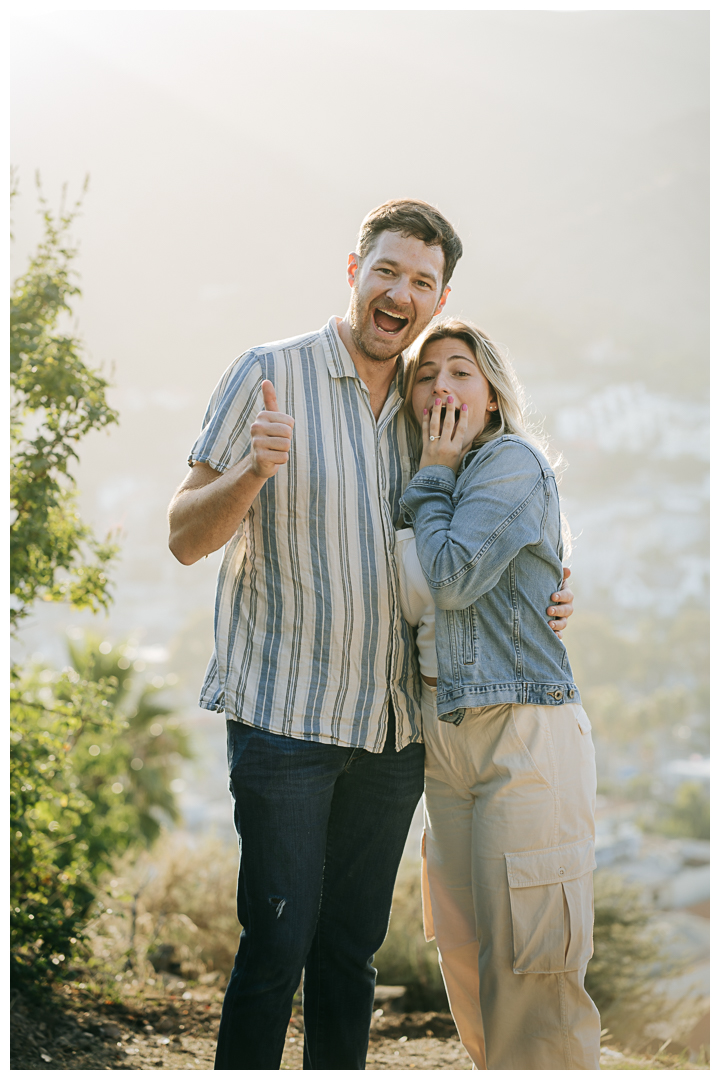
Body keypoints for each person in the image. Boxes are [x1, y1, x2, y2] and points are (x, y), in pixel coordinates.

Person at [167, 200, 575, 1070]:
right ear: (354, 270)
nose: (400, 292)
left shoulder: (436, 417)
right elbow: (182, 537)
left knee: (348, 960)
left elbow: (488, 542)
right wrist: (251, 470)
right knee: (274, 953)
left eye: (421, 281)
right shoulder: (268, 373)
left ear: (439, 297)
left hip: (393, 736)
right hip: (285, 720)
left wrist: (552, 592)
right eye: (386, 270)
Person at [397, 316, 599, 1070]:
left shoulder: (506, 462)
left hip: (523, 729)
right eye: (426, 375)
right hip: (441, 735)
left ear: (491, 398)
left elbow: (452, 578)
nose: (441, 385)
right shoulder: (415, 478)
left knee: (531, 966)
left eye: (460, 372)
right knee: (467, 955)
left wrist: (437, 475)